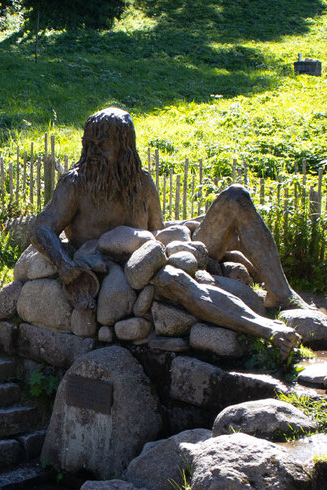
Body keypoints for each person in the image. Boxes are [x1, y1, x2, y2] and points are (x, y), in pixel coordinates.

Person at [31, 107, 304, 344]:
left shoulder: (142, 183)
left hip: (155, 255)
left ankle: (282, 295)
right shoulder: (75, 184)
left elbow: (157, 231)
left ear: (124, 147)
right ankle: (265, 330)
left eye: (102, 145)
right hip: (124, 274)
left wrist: (187, 229)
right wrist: (64, 265)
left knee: (236, 197)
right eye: (87, 144)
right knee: (174, 280)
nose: (91, 152)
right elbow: (41, 228)